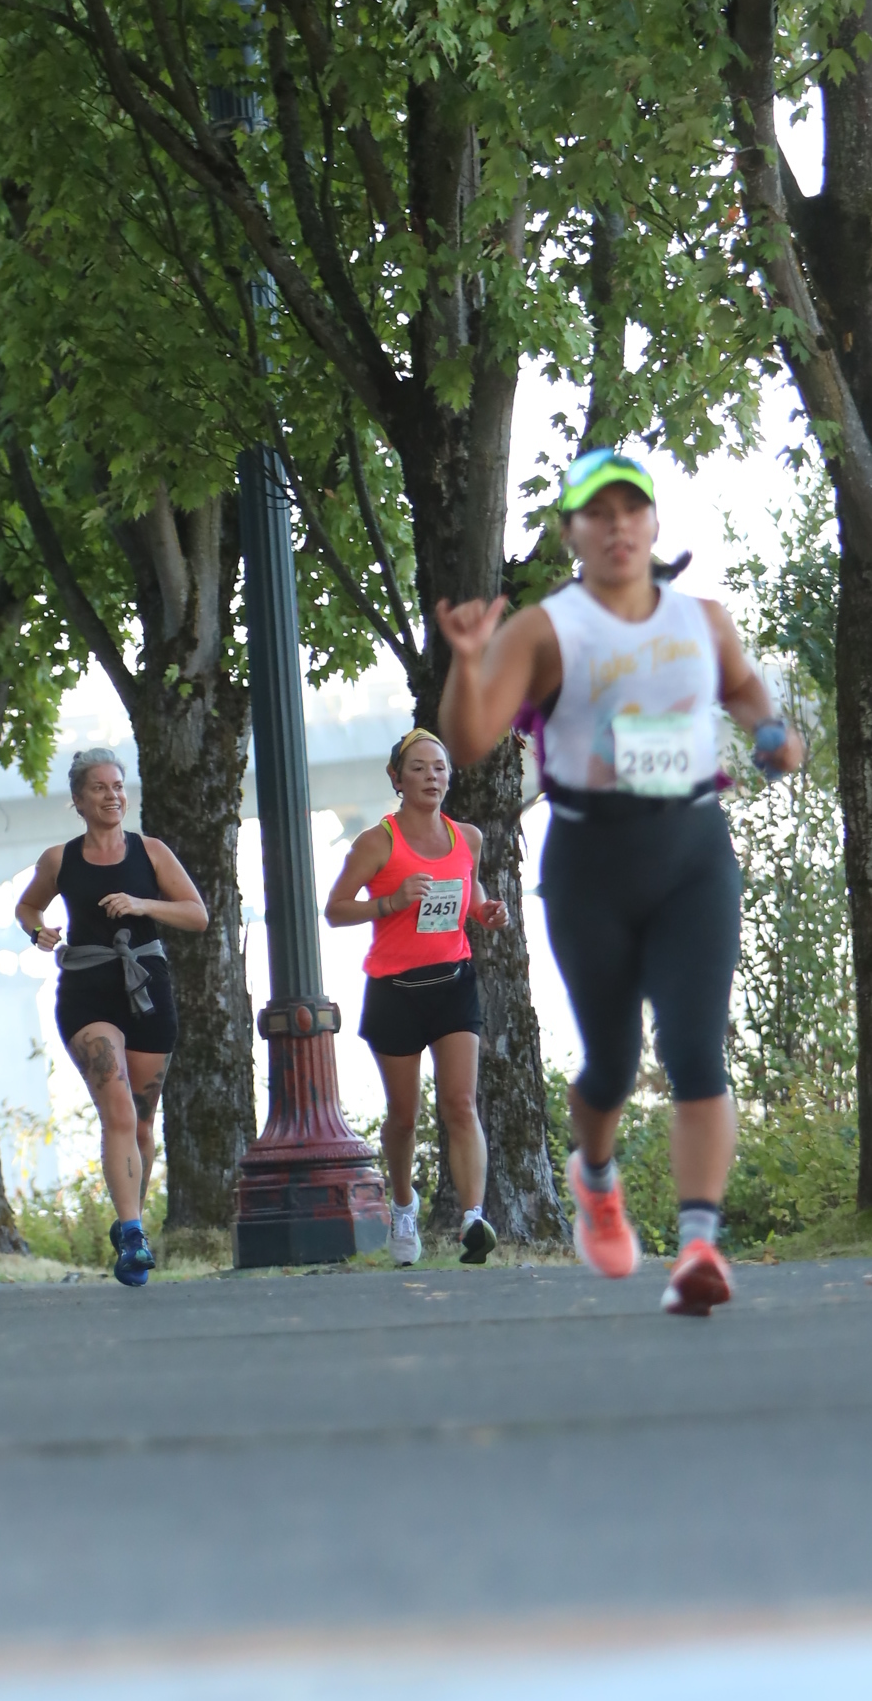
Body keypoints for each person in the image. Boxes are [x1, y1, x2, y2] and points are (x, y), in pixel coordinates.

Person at [437, 447, 800, 1316]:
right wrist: (468, 661)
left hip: (692, 855)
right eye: (598, 515)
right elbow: (470, 742)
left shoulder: (704, 621)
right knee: (612, 1061)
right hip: (590, 866)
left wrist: (773, 733)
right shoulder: (546, 630)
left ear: (654, 523)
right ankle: (595, 1177)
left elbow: (747, 692)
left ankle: (699, 1246)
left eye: (631, 510)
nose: (617, 528)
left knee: (695, 1050)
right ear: (572, 533)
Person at [14, 748, 212, 1287]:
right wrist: (38, 932)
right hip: (87, 992)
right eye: (99, 787)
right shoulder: (60, 859)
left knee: (142, 1121)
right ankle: (132, 1233)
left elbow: (197, 914)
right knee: (118, 1111)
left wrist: (143, 905)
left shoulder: (151, 852)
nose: (112, 795)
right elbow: (27, 907)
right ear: (78, 801)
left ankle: (132, 1227)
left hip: (147, 988)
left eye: (118, 785)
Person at [325, 729, 510, 1265]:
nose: (433, 777)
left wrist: (484, 912)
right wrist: (390, 902)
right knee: (403, 1117)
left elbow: (468, 890)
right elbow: (335, 910)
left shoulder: (467, 837)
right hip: (395, 991)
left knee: (461, 1103)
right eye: (420, 768)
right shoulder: (376, 843)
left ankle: (473, 1219)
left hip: (453, 983)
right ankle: (404, 1206)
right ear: (397, 779)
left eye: (440, 768)